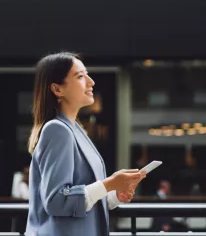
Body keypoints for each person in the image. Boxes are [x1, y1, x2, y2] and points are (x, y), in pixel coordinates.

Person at [26, 52, 146, 236]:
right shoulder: (58, 130)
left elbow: (81, 198)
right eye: (80, 76)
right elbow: (56, 201)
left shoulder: (76, 130)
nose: (91, 82)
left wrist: (114, 195)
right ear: (57, 89)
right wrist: (109, 184)